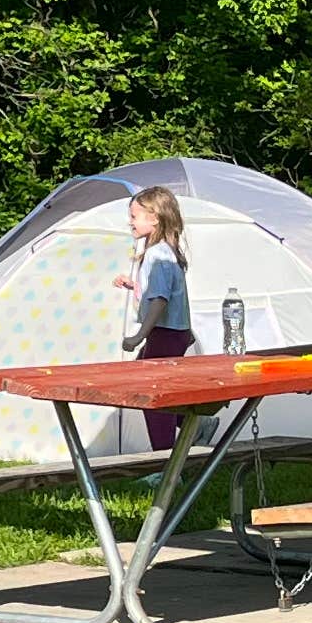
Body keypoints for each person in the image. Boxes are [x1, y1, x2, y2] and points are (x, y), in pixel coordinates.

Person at [112, 184, 194, 449]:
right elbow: (157, 292)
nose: (130, 222)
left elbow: (160, 300)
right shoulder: (164, 253)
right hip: (173, 332)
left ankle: (164, 461)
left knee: (152, 396)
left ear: (154, 218)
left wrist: (139, 336)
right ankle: (197, 423)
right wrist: (132, 286)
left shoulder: (157, 255)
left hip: (164, 333)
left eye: (134, 216)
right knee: (149, 388)